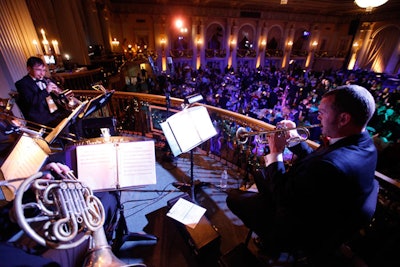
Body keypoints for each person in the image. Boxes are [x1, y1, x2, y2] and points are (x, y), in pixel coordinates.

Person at [226, 84, 378, 265]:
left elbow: (284, 198)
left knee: (233, 198)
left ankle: (272, 243)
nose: (317, 115)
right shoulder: (363, 144)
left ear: (343, 118)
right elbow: (317, 160)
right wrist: (294, 138)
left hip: (301, 229)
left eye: (322, 112)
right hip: (317, 208)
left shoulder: (331, 165)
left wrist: (276, 153)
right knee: (261, 176)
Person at [15, 56, 70, 128]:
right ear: (28, 69)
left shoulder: (46, 80)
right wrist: (46, 90)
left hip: (56, 113)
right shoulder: (22, 83)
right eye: (38, 70)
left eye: (44, 70)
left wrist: (58, 92)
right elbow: (31, 101)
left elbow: (59, 98)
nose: (42, 73)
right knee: (65, 126)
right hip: (43, 119)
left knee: (76, 117)